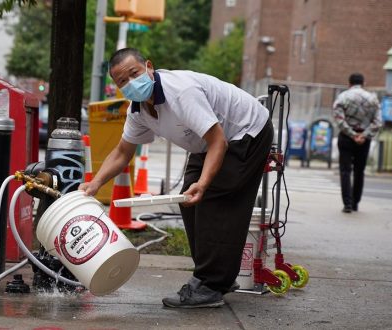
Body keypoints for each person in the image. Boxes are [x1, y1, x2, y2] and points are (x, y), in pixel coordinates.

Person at [78, 48, 273, 308]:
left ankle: (211, 284)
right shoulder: (138, 111)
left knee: (214, 196)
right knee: (187, 199)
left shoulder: (180, 92)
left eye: (134, 73)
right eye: (122, 81)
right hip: (209, 142)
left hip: (246, 130)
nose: (131, 83)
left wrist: (203, 184)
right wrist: (95, 183)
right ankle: (217, 275)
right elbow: (123, 152)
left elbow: (218, 141)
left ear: (149, 66)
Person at [332, 73, 382, 213]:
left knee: (345, 171)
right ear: (363, 82)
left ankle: (347, 204)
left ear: (349, 83)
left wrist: (352, 135)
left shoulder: (343, 97)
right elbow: (378, 122)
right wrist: (363, 135)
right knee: (359, 171)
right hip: (364, 139)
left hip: (347, 138)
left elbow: (338, 118)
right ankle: (355, 203)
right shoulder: (372, 98)